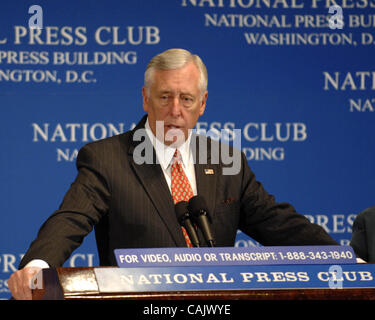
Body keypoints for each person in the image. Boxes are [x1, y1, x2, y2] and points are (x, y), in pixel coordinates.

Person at [8, 48, 337, 299]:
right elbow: (70, 218)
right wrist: (37, 267)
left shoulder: (226, 160)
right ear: (145, 98)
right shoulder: (107, 159)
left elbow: (278, 224)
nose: (175, 111)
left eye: (186, 98)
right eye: (165, 97)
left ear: (203, 103)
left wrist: (347, 262)